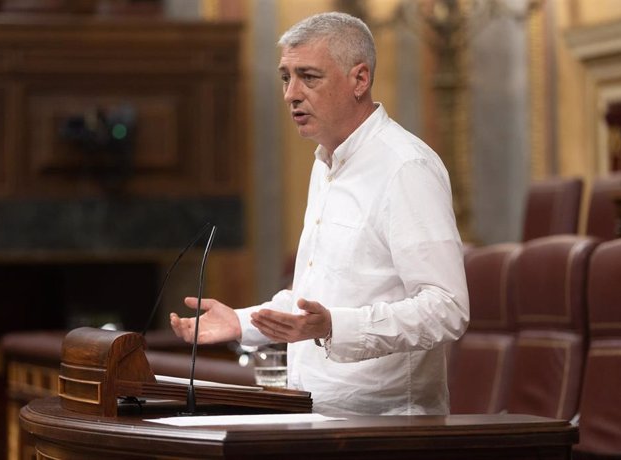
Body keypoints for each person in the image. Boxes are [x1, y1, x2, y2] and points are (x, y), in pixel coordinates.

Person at [170, 11, 469, 416]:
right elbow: (317, 303)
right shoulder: (325, 163)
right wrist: (243, 324)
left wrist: (335, 327)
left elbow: (447, 307)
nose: (291, 93)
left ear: (359, 80)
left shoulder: (405, 167)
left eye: (309, 77)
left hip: (387, 429)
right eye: (285, 77)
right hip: (316, 419)